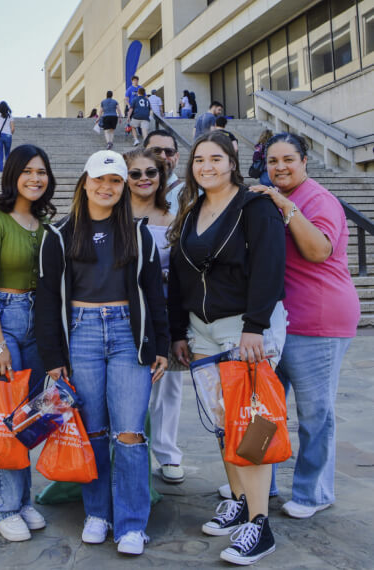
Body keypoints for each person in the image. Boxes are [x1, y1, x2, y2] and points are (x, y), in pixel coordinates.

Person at [35, 150, 169, 556]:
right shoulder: (59, 236)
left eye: (115, 181)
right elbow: (46, 301)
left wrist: (160, 344)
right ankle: (98, 513)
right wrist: (53, 359)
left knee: (129, 432)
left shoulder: (138, 233)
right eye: (100, 180)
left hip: (129, 334)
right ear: (85, 182)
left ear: (123, 186)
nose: (107, 188)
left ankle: (131, 523)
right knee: (91, 430)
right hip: (82, 334)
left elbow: (153, 295)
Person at [167, 132, 287, 565]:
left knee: (252, 425)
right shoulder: (192, 209)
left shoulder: (255, 207)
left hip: (244, 330)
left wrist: (255, 326)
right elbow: (180, 277)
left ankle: (260, 524)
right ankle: (239, 500)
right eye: (199, 159)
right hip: (201, 332)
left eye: (216, 158)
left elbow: (271, 266)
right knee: (222, 424)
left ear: (233, 161)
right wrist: (179, 331)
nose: (207, 166)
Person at [252, 132, 360, 520]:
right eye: (272, 161)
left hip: (320, 320)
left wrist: (284, 205)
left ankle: (314, 492)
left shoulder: (317, 199)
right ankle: (263, 482)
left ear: (304, 161)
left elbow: (318, 251)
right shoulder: (269, 196)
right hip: (278, 323)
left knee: (315, 414)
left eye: (288, 160)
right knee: (264, 408)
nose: (279, 167)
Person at [0, 144, 56, 541]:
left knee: (27, 415)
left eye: (42, 172)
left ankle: (22, 500)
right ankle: (3, 508)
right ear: (13, 174)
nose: (36, 178)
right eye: (28, 171)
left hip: (36, 320)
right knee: (3, 414)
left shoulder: (46, 224)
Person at [125, 148, 186, 484]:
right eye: (136, 173)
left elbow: (182, 268)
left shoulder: (172, 217)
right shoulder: (112, 214)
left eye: (152, 172)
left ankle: (167, 453)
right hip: (121, 314)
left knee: (168, 385)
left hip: (162, 312)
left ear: (162, 177)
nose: (144, 179)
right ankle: (129, 451)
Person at [144, 130, 183, 216]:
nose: (163, 157)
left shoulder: (191, 195)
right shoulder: (129, 191)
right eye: (155, 151)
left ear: (177, 157)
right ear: (143, 154)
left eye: (169, 152)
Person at [0, 101, 15, 172]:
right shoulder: (10, 115)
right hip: (8, 135)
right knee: (7, 153)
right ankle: (7, 170)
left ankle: (1, 170)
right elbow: (13, 128)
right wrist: (10, 134)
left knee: (0, 153)